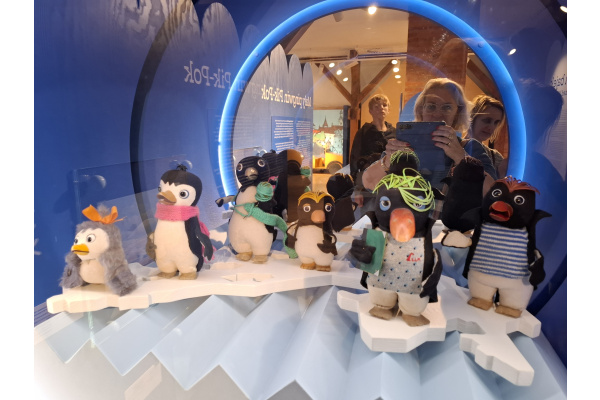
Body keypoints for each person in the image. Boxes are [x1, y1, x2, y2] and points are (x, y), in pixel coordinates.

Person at [361, 78, 497, 196]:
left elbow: (492, 193)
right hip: (405, 217)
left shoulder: (471, 148)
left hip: (449, 219)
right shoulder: (404, 145)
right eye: (431, 106)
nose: (437, 114)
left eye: (447, 107)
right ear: (421, 110)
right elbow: (369, 183)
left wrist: (461, 157)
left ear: (457, 112)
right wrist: (388, 160)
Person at [348, 94, 396, 211]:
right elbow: (355, 161)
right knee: (369, 216)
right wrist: (358, 189)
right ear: (370, 111)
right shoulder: (363, 133)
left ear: (389, 109)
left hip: (391, 184)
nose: (381, 108)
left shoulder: (394, 133)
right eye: (377, 106)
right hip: (368, 183)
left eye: (384, 105)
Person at [465, 94, 507, 177]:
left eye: (496, 122)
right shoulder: (454, 146)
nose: (491, 127)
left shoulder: (495, 157)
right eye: (487, 120)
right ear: (472, 118)